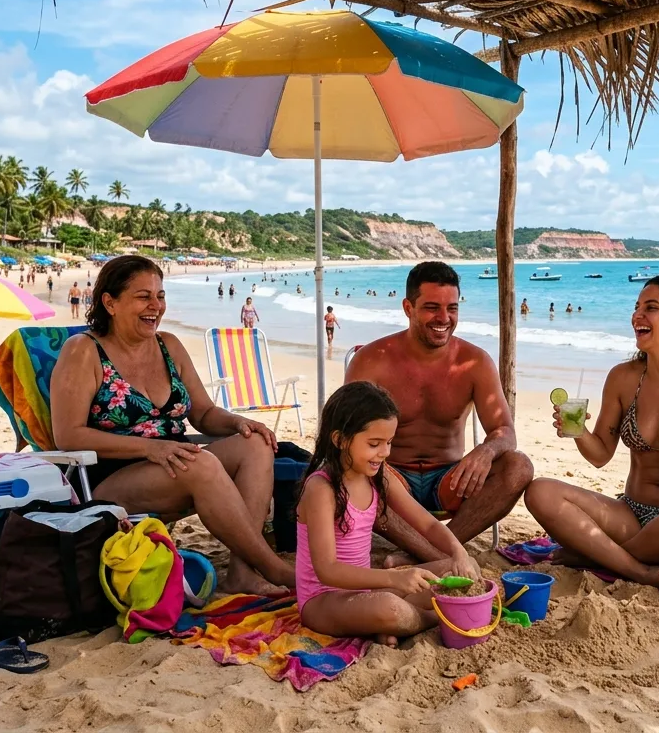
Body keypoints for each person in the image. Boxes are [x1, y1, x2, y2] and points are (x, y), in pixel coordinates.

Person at [50, 255, 293, 595]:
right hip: (108, 480)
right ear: (110, 302)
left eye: (160, 296)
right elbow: (68, 435)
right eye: (143, 296)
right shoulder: (84, 351)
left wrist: (239, 422)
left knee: (255, 443)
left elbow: (203, 413)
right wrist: (151, 448)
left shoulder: (169, 346)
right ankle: (274, 567)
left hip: (175, 464)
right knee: (200, 463)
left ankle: (242, 569)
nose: (156, 306)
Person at [524, 276, 659, 591]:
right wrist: (579, 431)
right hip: (631, 514)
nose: (637, 316)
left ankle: (599, 556)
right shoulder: (622, 378)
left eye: (651, 308)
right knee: (540, 491)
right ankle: (639, 571)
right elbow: (600, 454)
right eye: (636, 307)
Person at [345, 262, 534, 565]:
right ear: (408, 307)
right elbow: (345, 433)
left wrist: (486, 450)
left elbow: (504, 431)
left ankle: (426, 553)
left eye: (452, 308)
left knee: (518, 466)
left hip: (451, 481)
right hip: (389, 478)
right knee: (346, 469)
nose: (444, 319)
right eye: (431, 308)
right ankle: (436, 555)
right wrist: (376, 466)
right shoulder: (372, 360)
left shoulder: (474, 362)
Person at [295, 381, 480, 645]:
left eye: (389, 443)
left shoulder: (378, 475)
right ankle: (435, 618)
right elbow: (328, 570)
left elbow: (426, 525)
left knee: (462, 569)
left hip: (365, 591)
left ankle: (395, 623)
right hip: (323, 601)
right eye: (374, 444)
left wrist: (458, 551)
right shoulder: (321, 488)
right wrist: (395, 578)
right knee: (390, 609)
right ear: (339, 440)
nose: (384, 453)